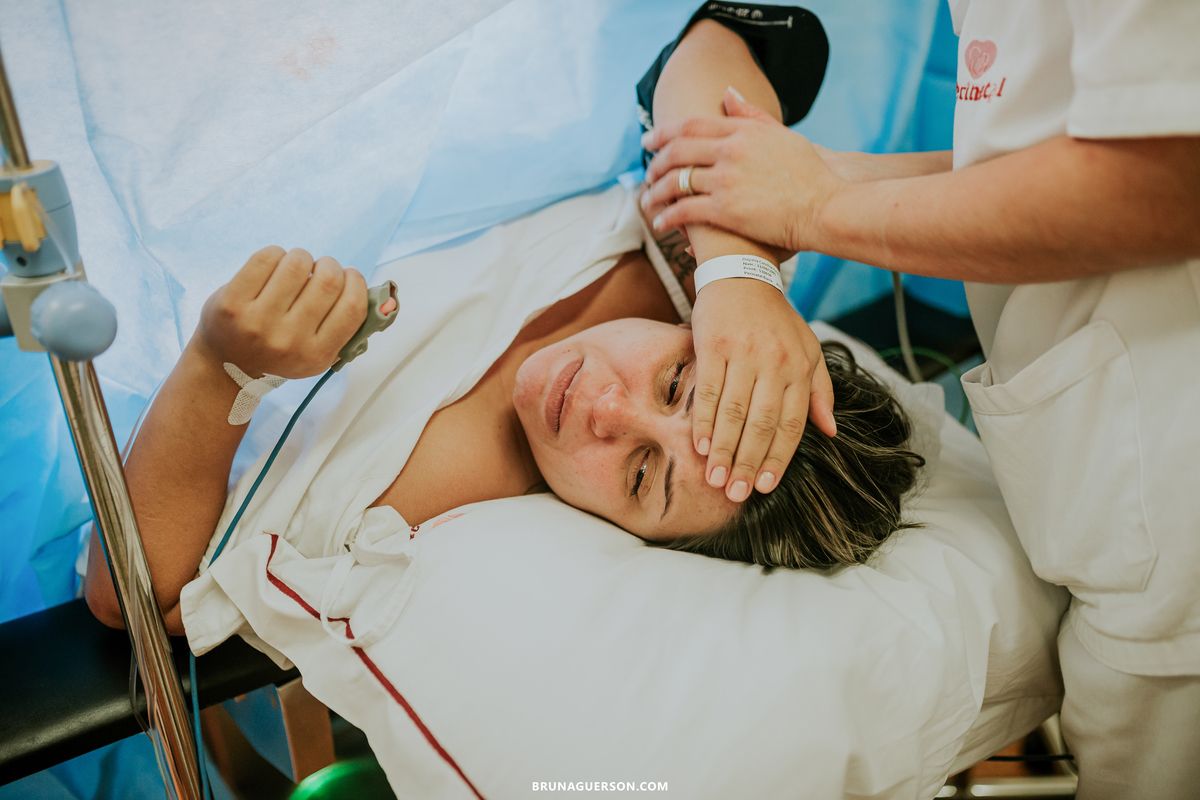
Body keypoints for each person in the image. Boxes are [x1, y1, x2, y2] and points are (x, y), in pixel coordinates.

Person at [84, 14, 924, 636]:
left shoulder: (406, 512)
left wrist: (220, 371)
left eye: (641, 474)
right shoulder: (697, 266)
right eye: (676, 384)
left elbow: (132, 598)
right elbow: (729, 32)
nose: (607, 409)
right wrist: (739, 272)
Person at [639, 2, 1200, 798]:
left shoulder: (661, 275)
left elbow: (1166, 179)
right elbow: (1046, 144)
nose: (601, 404)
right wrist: (813, 194)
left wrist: (805, 217)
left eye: (674, 384)